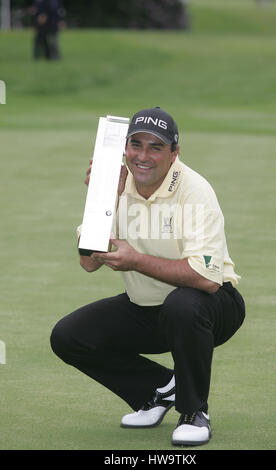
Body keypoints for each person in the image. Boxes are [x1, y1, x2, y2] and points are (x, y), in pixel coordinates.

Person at [50, 107, 246, 446]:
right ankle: (157, 391)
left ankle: (194, 411)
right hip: (146, 307)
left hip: (213, 307)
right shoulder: (117, 183)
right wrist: (101, 198)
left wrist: (137, 261)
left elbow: (207, 279)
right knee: (68, 336)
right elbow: (89, 262)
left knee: (183, 305)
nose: (143, 156)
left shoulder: (195, 190)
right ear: (124, 148)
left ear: (174, 153)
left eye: (155, 147)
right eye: (136, 145)